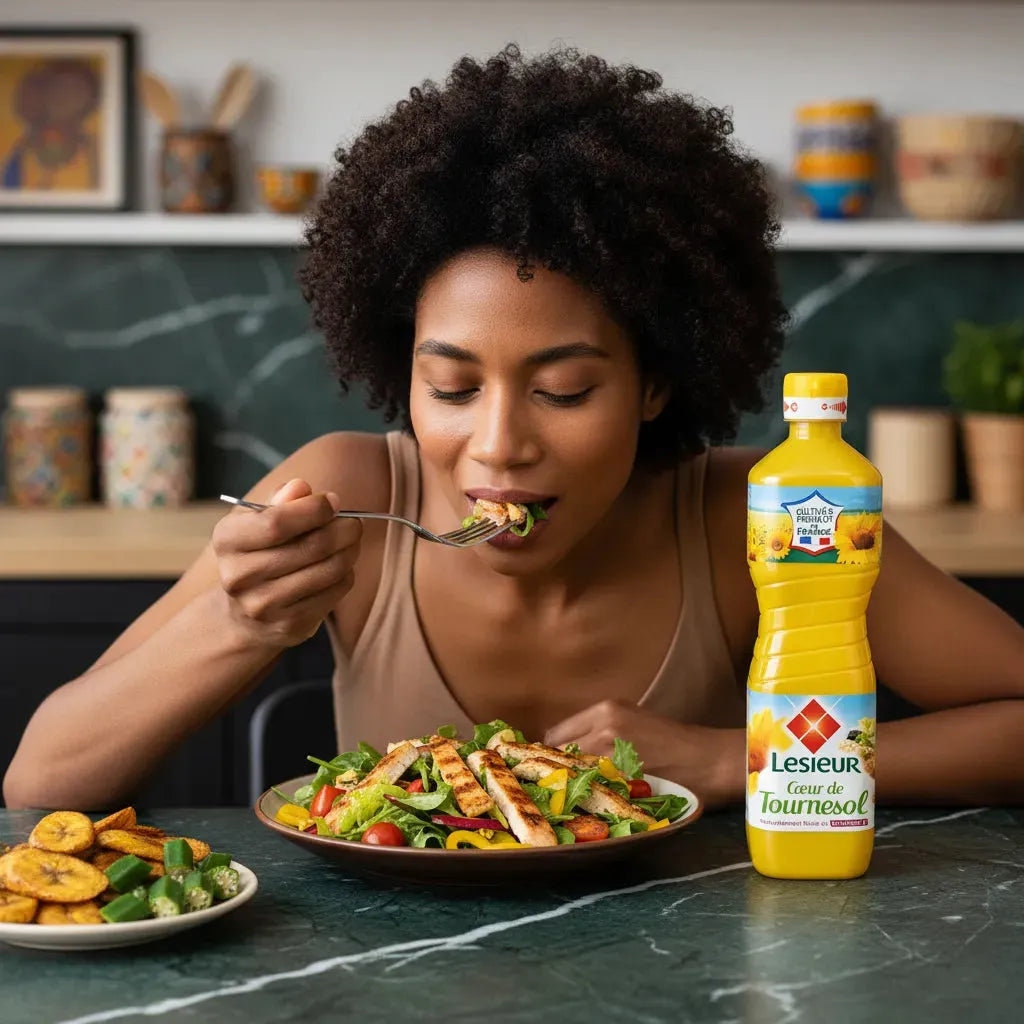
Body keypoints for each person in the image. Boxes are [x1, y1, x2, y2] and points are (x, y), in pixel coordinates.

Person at [5, 45, 1022, 812]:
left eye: (565, 391)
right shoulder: (347, 500)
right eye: (450, 388)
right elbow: (37, 784)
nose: (496, 445)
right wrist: (235, 622)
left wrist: (738, 758)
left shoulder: (756, 514)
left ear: (656, 383)